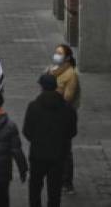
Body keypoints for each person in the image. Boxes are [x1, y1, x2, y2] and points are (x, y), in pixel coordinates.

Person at [23, 74, 77, 207]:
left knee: (35, 187)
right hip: (58, 155)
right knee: (55, 190)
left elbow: (27, 131)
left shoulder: (33, 106)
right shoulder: (67, 108)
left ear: (41, 87)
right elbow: (72, 132)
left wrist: (37, 140)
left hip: (38, 154)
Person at [47, 44, 80, 194]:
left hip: (64, 115)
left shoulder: (71, 74)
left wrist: (54, 91)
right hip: (51, 114)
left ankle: (67, 181)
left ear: (67, 57)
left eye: (60, 53)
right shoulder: (52, 70)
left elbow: (68, 97)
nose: (56, 55)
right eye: (56, 52)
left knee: (65, 150)